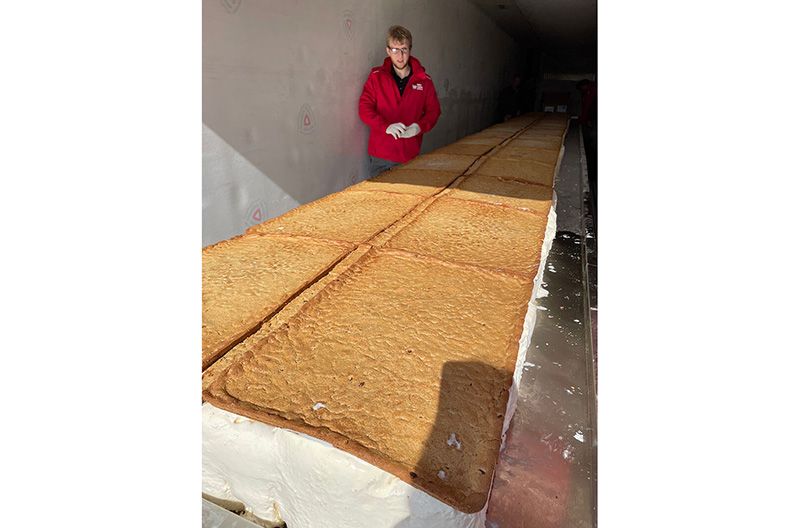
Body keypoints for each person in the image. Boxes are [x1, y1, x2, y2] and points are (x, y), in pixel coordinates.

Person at [358, 25, 441, 177]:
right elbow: (364, 108)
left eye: (404, 49)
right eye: (395, 50)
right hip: (380, 157)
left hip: (409, 156)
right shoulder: (376, 77)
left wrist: (419, 127)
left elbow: (434, 112)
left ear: (410, 49)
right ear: (388, 50)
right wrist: (385, 126)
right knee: (380, 199)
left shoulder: (424, 81)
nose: (400, 56)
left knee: (406, 200)